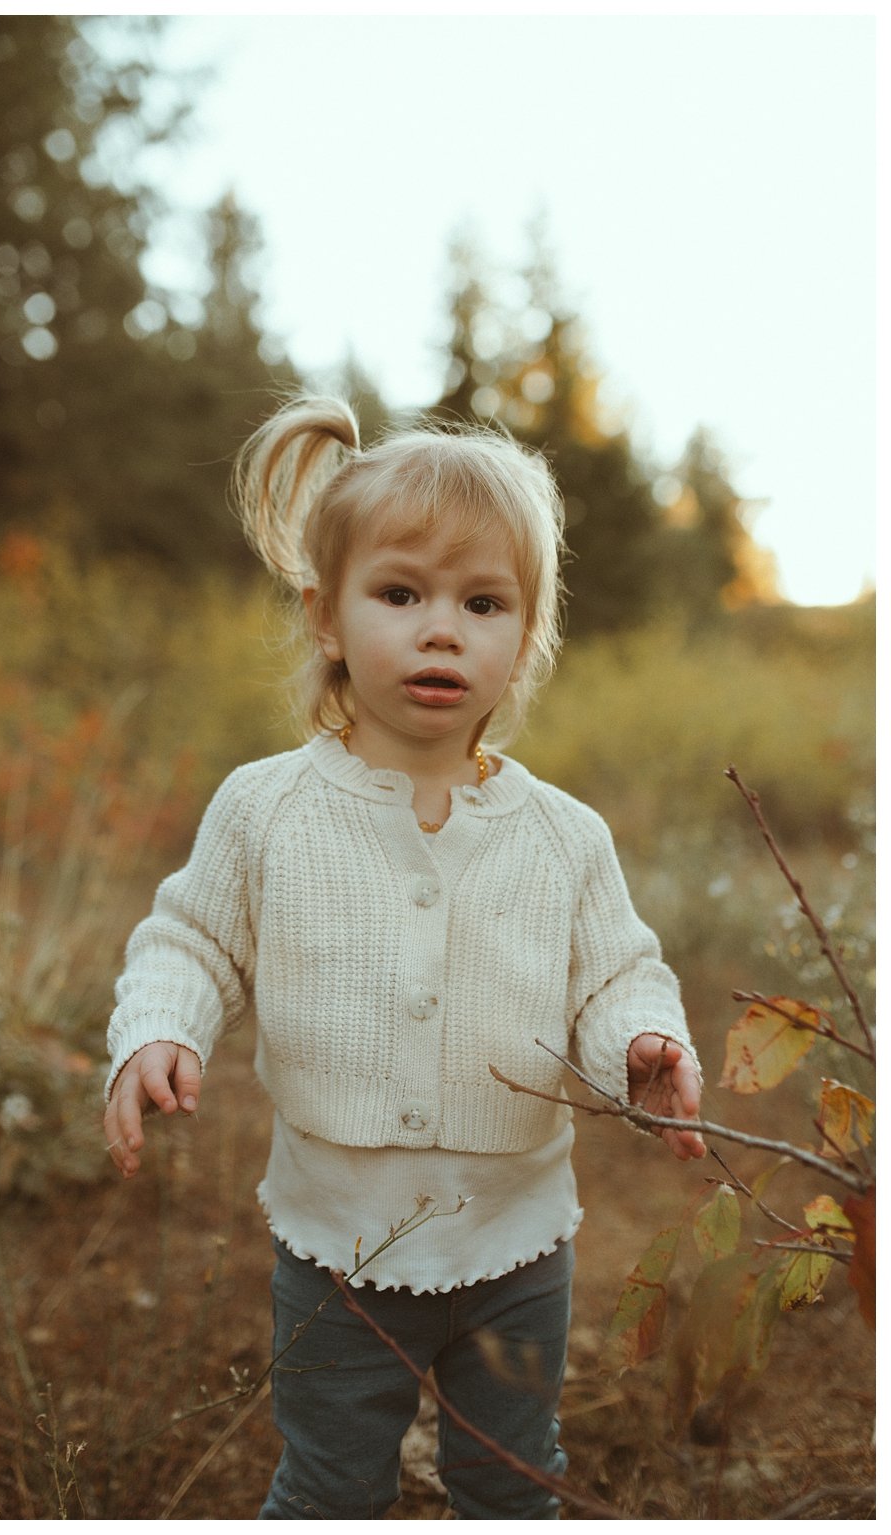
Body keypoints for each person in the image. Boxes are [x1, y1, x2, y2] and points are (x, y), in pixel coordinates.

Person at [100, 396, 706, 1519]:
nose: (440, 630)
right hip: (332, 1241)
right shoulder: (266, 809)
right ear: (323, 615)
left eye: (481, 603)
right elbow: (189, 937)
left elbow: (613, 970)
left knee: (507, 1478)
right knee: (330, 1480)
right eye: (399, 594)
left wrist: (637, 1038)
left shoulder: (563, 836)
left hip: (515, 1244)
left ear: (522, 636)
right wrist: (159, 1027)